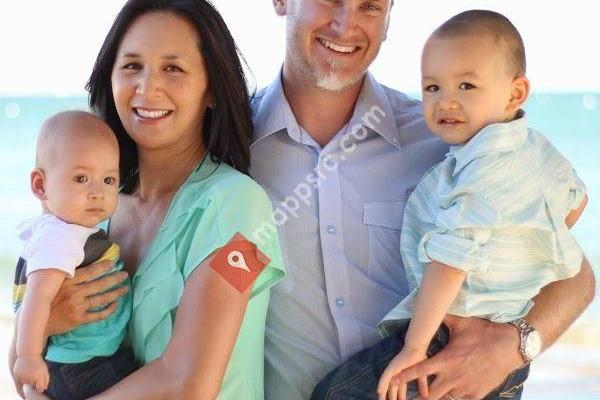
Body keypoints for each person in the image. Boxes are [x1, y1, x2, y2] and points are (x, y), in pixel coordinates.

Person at [249, 1, 596, 400]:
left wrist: (511, 348)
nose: (346, 25)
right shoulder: (228, 144)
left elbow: (576, 278)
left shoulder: (453, 141)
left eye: (369, 6)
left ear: (389, 17)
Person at [10, 1, 285, 399]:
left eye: (173, 68)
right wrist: (46, 322)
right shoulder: (94, 208)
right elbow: (23, 365)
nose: (147, 87)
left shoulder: (242, 208)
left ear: (211, 89)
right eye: (132, 66)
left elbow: (190, 384)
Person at [11, 111, 134, 400]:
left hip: (76, 362)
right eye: (81, 178)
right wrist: (28, 356)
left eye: (108, 180)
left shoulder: (63, 230)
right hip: (84, 367)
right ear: (40, 185)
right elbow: (37, 297)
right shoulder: (59, 238)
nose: (98, 192)